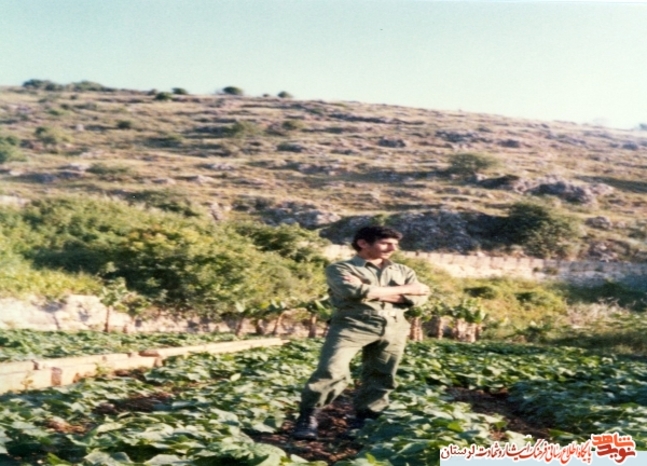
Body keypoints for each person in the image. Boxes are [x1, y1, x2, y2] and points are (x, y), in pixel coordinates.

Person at [292, 225, 430, 440]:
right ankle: (308, 417)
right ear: (363, 243)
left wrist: (372, 292)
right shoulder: (341, 268)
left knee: (382, 374)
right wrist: (406, 290)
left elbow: (420, 298)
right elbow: (352, 291)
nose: (393, 248)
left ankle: (366, 419)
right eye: (385, 243)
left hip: (394, 326)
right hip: (352, 324)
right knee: (331, 369)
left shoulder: (403, 271)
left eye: (395, 244)